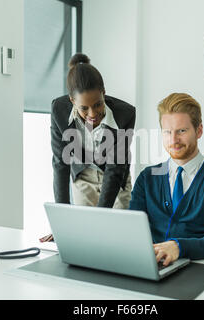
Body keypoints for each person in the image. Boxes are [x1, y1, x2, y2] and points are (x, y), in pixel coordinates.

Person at [129, 93, 204, 267]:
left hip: (201, 271)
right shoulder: (147, 177)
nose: (173, 140)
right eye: (167, 132)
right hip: (153, 268)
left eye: (181, 131)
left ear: (199, 130)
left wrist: (178, 247)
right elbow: (132, 232)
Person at [40, 53, 136, 242]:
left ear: (104, 93)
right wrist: (62, 222)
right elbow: (60, 163)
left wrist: (100, 219)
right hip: (82, 176)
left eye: (98, 104)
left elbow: (115, 168)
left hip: (116, 179)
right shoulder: (59, 109)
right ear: (72, 101)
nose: (93, 114)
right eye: (84, 108)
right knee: (85, 238)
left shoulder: (125, 114)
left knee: (116, 238)